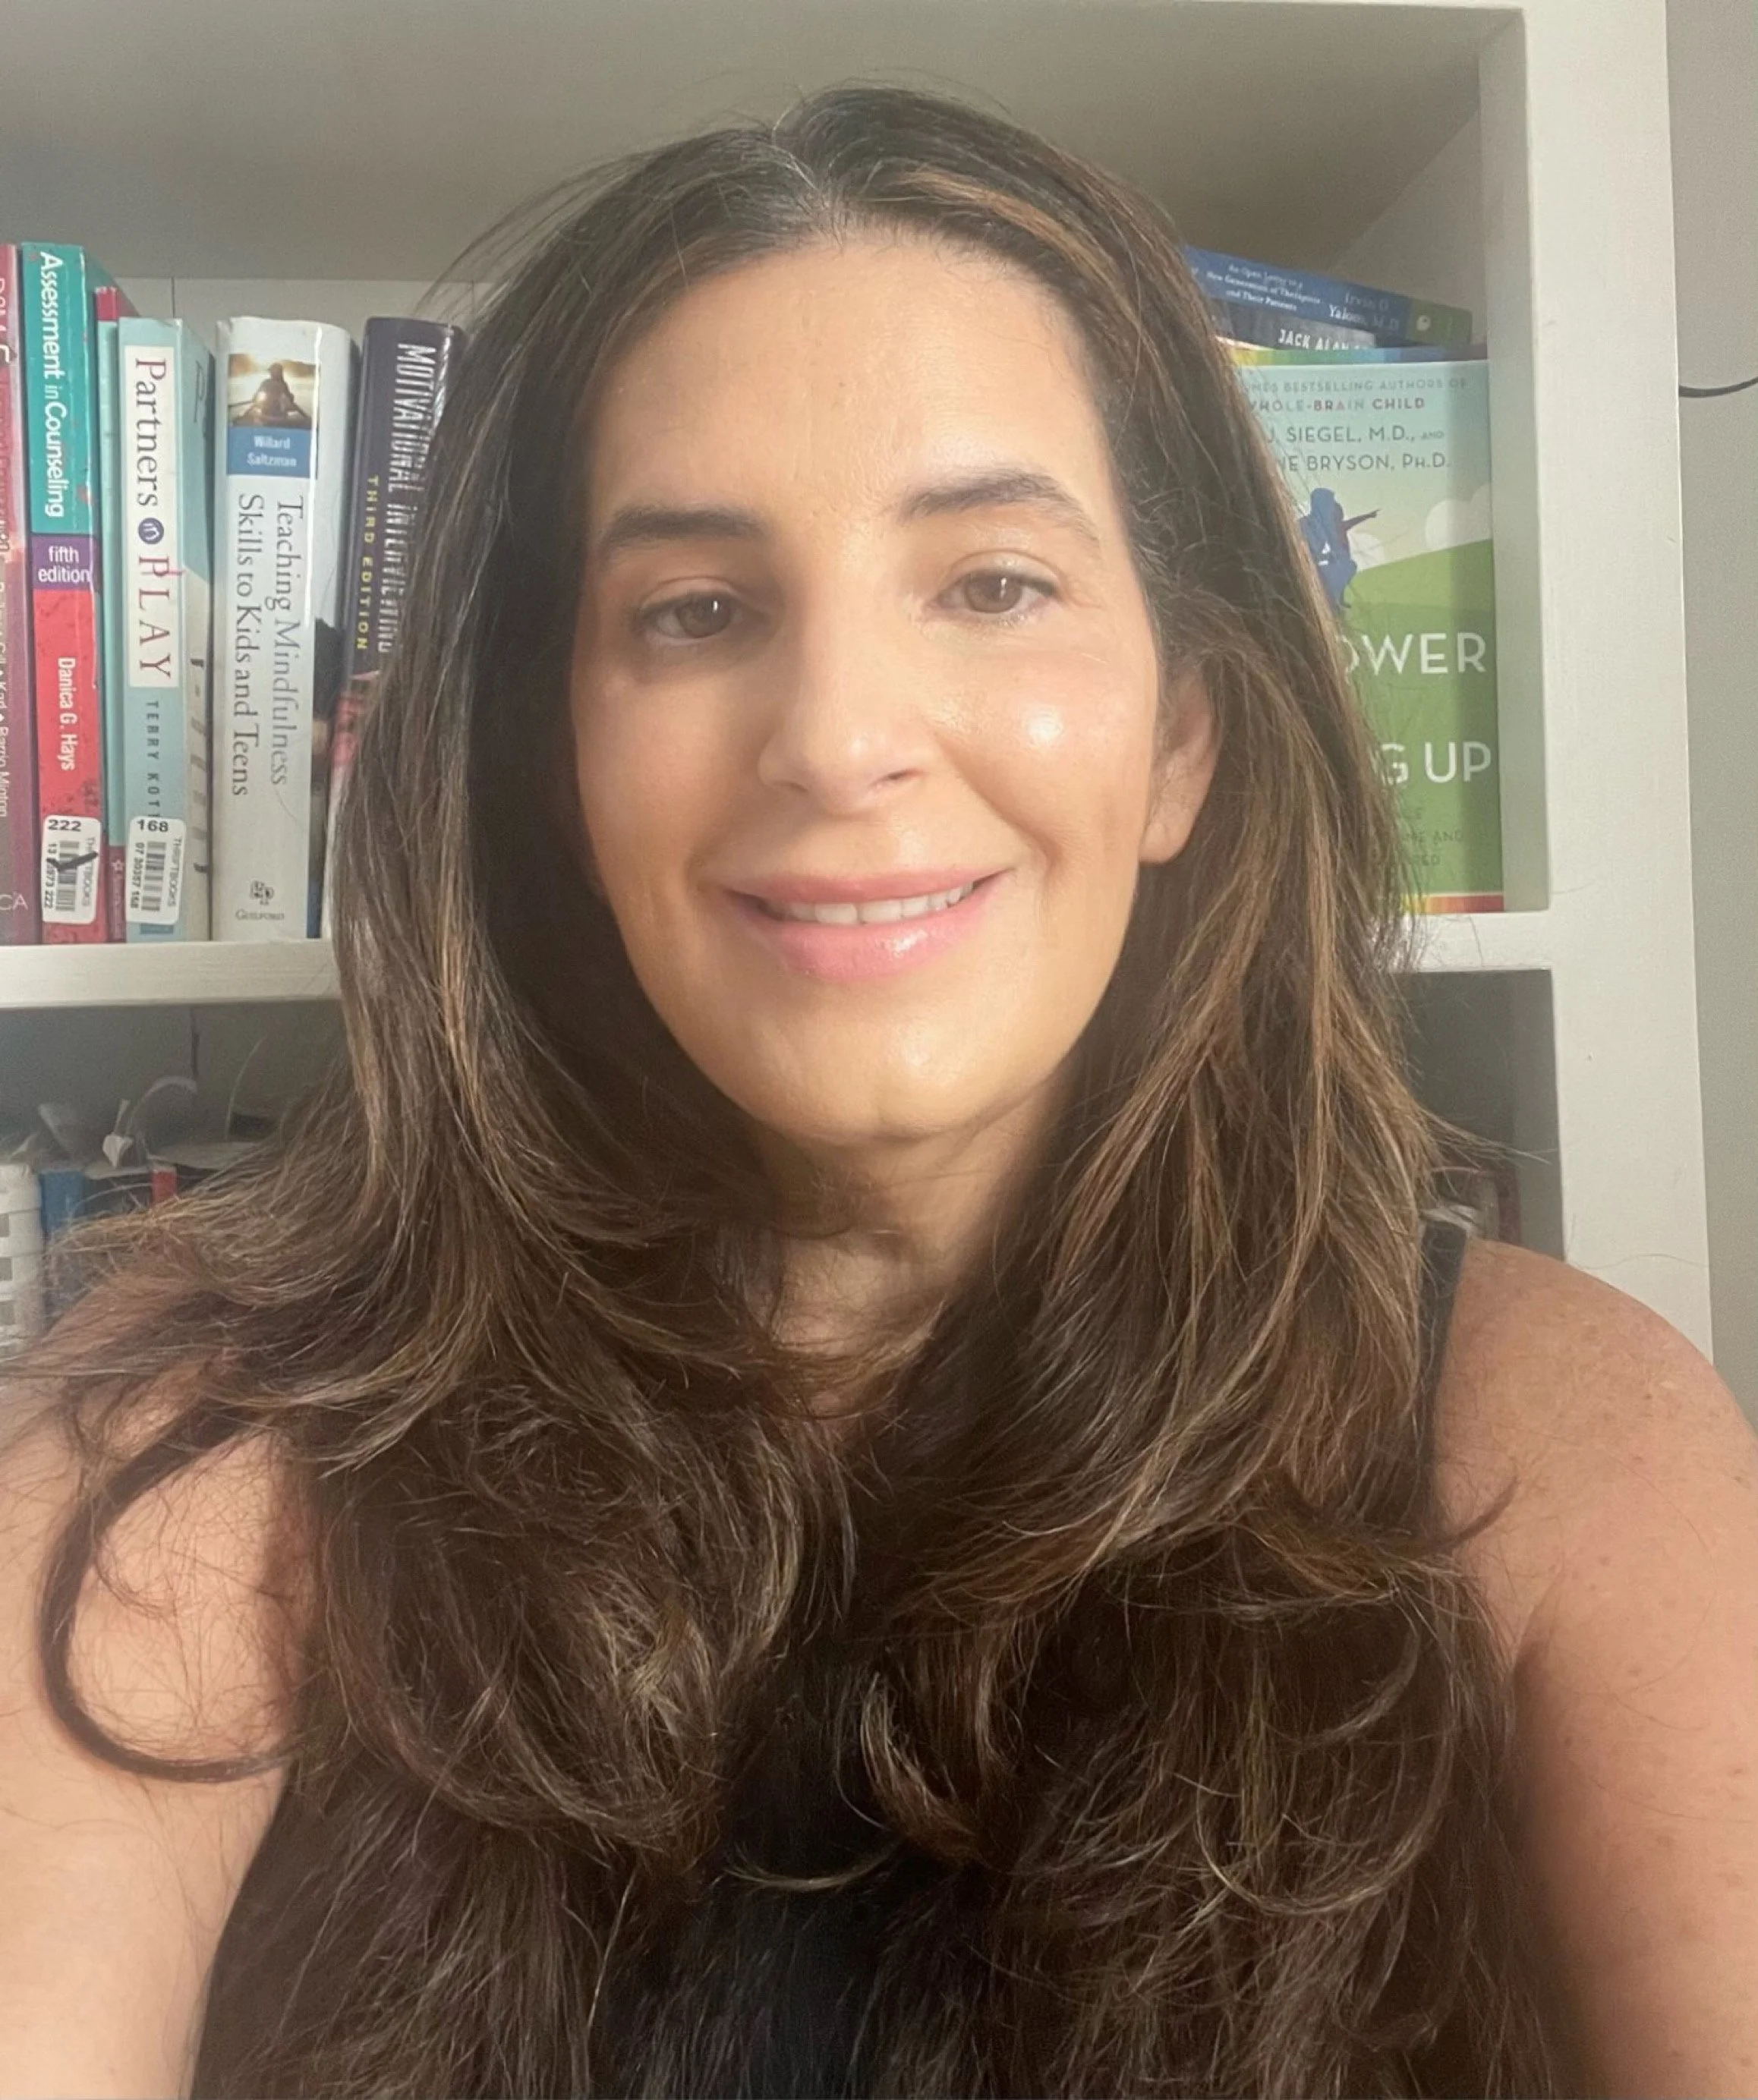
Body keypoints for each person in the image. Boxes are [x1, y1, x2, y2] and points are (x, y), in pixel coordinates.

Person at [2, 83, 1754, 2100]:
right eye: (695, 611)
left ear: (1182, 729)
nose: (836, 739)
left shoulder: (1569, 1450)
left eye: (992, 580)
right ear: (551, 762)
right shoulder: (205, 1431)